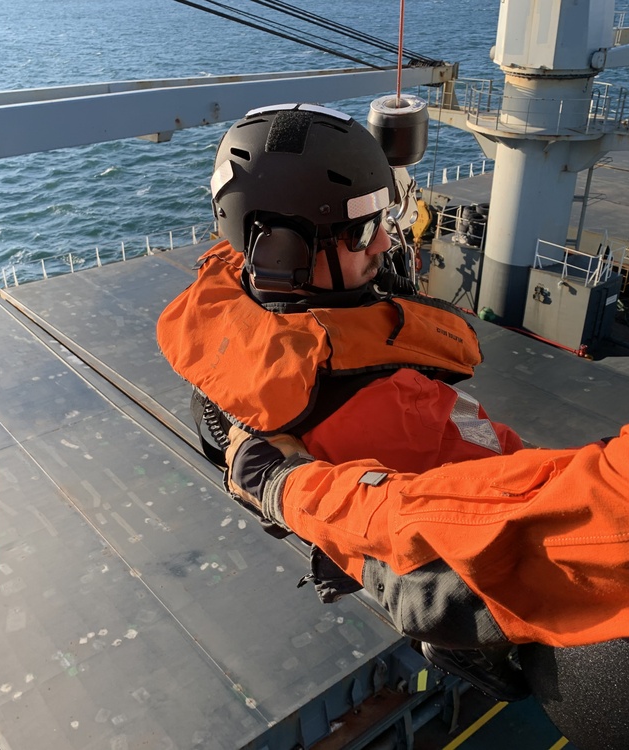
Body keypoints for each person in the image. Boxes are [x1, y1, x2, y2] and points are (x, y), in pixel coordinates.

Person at [224, 0, 629, 746]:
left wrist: (279, 483)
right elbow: (501, 529)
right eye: (367, 228)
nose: (385, 241)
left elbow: (505, 537)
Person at [156, 103, 530, 700]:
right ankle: (464, 644)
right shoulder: (401, 408)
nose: (384, 240)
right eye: (362, 231)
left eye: (383, 220)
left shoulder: (227, 303)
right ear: (281, 250)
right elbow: (515, 478)